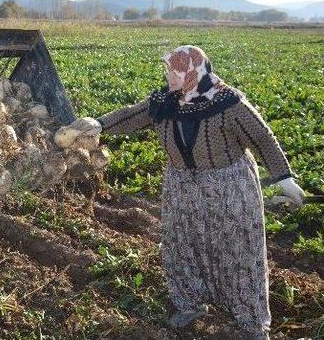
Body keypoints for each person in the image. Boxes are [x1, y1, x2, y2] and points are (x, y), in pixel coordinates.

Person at [96, 45, 305, 339]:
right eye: (168, 69)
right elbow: (131, 116)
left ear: (193, 72)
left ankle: (252, 321)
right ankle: (190, 303)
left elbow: (262, 138)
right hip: (182, 186)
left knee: (238, 249)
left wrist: (284, 177)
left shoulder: (228, 104)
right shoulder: (165, 102)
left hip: (228, 186)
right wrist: (98, 125)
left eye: (175, 70)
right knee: (181, 243)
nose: (169, 75)